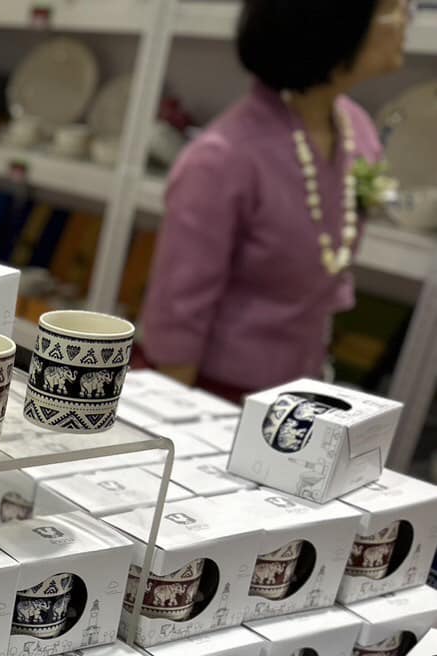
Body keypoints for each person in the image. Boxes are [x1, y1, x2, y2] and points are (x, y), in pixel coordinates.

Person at [139, 0, 408, 400]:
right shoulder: (223, 159)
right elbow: (178, 317)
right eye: (390, 7)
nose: (405, 16)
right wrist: (175, 415)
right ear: (330, 26)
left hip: (301, 387)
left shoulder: (356, 130)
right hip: (216, 394)